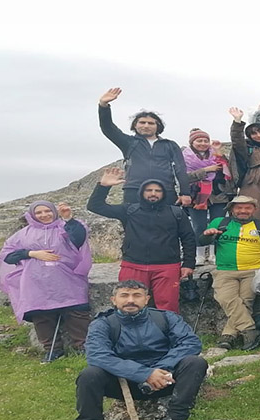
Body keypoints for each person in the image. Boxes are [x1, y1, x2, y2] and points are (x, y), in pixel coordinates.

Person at [75, 280, 207, 420]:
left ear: (146, 299)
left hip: (165, 379)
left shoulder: (166, 317)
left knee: (196, 363)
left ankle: (176, 419)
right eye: (125, 295)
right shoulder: (103, 324)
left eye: (137, 295)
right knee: (89, 375)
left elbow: (190, 342)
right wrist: (144, 374)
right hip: (123, 383)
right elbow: (98, 355)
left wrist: (159, 370)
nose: (131, 300)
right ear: (114, 300)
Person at [87, 168, 196, 314]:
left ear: (163, 193)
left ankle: (168, 336)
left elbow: (188, 238)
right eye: (149, 190)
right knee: (129, 306)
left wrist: (188, 264)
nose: (153, 193)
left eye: (157, 190)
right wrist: (104, 186)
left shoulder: (176, 213)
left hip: (167, 267)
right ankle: (129, 336)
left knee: (168, 307)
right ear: (141, 192)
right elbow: (95, 206)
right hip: (133, 265)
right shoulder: (129, 210)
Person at [0, 201, 92, 363]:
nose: (44, 215)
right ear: (32, 215)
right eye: (39, 212)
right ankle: (53, 350)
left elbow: (79, 239)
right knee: (41, 315)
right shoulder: (23, 234)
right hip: (35, 282)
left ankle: (83, 346)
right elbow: (7, 255)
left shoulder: (64, 227)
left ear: (54, 212)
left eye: (47, 211)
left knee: (77, 311)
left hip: (67, 278)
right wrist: (32, 253)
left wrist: (68, 218)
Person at [200, 195, 260, 350]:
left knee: (245, 301)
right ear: (231, 209)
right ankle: (249, 330)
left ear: (254, 209)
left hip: (253, 270)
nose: (243, 211)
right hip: (224, 270)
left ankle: (228, 336)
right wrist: (208, 235)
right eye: (239, 208)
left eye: (247, 208)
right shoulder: (219, 223)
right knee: (226, 299)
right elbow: (202, 241)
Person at [97, 87, 191, 206]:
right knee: (134, 224)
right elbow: (108, 128)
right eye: (142, 122)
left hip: (165, 191)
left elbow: (180, 169)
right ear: (135, 125)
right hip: (134, 190)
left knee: (167, 224)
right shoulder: (128, 142)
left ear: (158, 126)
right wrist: (103, 105)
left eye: (151, 123)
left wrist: (185, 193)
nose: (146, 126)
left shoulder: (170, 145)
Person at [182, 128, 234, 265]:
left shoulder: (215, 155)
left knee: (217, 224)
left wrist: (218, 153)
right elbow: (183, 177)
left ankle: (213, 253)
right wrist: (205, 170)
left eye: (206, 140)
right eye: (199, 140)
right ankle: (199, 254)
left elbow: (228, 173)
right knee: (199, 226)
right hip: (196, 196)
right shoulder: (185, 157)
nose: (203, 143)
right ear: (192, 142)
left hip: (218, 195)